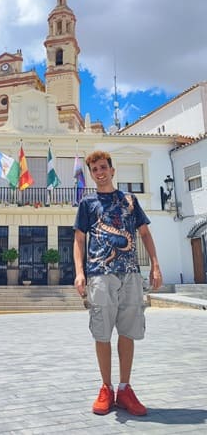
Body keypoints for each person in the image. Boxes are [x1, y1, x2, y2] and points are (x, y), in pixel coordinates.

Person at [73, 150, 162, 416]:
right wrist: (80, 272)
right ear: (91, 175)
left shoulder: (130, 200)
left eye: (103, 168)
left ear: (112, 170)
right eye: (95, 170)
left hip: (131, 274)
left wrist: (155, 265)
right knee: (102, 332)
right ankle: (105, 387)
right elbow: (79, 240)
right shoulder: (88, 204)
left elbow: (144, 233)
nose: (99, 173)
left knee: (127, 331)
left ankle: (124, 389)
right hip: (100, 274)